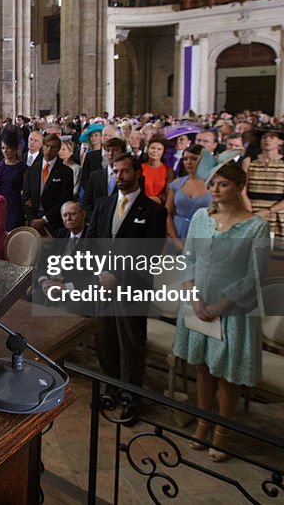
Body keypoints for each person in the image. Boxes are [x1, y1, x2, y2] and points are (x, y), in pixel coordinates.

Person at [173, 162, 269, 462]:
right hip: (198, 304)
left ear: (239, 187)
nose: (215, 189)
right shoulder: (201, 218)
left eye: (223, 184)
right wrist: (192, 293)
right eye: (213, 184)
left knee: (226, 374)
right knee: (202, 368)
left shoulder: (255, 225)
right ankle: (202, 423)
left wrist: (221, 305)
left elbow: (254, 274)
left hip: (231, 311)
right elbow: (188, 257)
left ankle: (222, 432)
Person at [86, 154, 167, 417]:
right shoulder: (103, 204)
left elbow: (150, 252)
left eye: (124, 172)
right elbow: (92, 240)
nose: (119, 177)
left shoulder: (153, 210)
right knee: (105, 339)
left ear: (137, 174)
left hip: (132, 286)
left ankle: (132, 397)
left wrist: (117, 275)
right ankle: (110, 387)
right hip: (102, 284)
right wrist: (100, 272)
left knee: (131, 343)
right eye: (116, 172)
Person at [243, 129, 284, 251]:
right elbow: (242, 191)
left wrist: (268, 211)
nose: (267, 139)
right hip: (251, 210)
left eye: (272, 137)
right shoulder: (249, 161)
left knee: (276, 258)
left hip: (277, 212)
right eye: (264, 137)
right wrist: (250, 213)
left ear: (280, 142)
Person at [23, 133, 74, 236]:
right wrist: (33, 219)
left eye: (53, 147)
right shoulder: (32, 170)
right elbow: (25, 197)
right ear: (43, 147)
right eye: (47, 146)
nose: (49, 150)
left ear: (58, 149)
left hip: (54, 221)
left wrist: (44, 220)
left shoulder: (66, 172)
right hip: (34, 221)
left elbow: (64, 199)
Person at [165, 144, 211, 249]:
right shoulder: (176, 184)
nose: (189, 162)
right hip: (177, 233)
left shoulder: (213, 184)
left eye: (194, 159)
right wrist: (175, 240)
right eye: (185, 159)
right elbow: (167, 214)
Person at [0, 125, 27, 232]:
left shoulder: (23, 168)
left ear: (16, 149)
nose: (6, 151)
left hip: (14, 207)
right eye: (3, 148)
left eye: (9, 148)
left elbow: (25, 189)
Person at [141, 137, 172, 203]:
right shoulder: (140, 168)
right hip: (140, 203)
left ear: (163, 152)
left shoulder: (168, 171)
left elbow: (169, 194)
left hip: (159, 205)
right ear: (147, 149)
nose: (155, 151)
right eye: (153, 148)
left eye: (159, 149)